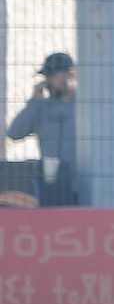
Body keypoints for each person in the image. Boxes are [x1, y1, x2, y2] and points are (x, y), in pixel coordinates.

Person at [6, 51, 78, 206]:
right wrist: (34, 101)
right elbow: (15, 133)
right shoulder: (42, 107)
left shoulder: (85, 106)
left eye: (54, 75)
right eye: (47, 77)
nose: (49, 81)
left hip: (82, 181)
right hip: (51, 182)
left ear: (70, 74)